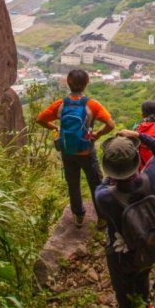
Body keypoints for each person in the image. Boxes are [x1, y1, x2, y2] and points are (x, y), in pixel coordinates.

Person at [94, 129, 155, 308]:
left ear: (108, 167)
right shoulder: (150, 178)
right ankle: (145, 304)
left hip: (121, 256)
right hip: (148, 244)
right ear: (136, 161)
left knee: (124, 296)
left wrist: (112, 172)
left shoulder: (103, 196)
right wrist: (137, 135)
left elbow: (104, 184)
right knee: (143, 277)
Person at [36, 69, 115, 226]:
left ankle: (78, 216)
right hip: (86, 151)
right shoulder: (92, 105)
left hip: (67, 150)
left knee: (73, 183)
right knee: (96, 183)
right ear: (86, 84)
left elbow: (40, 119)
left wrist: (55, 128)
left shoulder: (61, 104)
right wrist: (97, 134)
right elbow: (110, 125)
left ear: (68, 83)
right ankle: (102, 218)